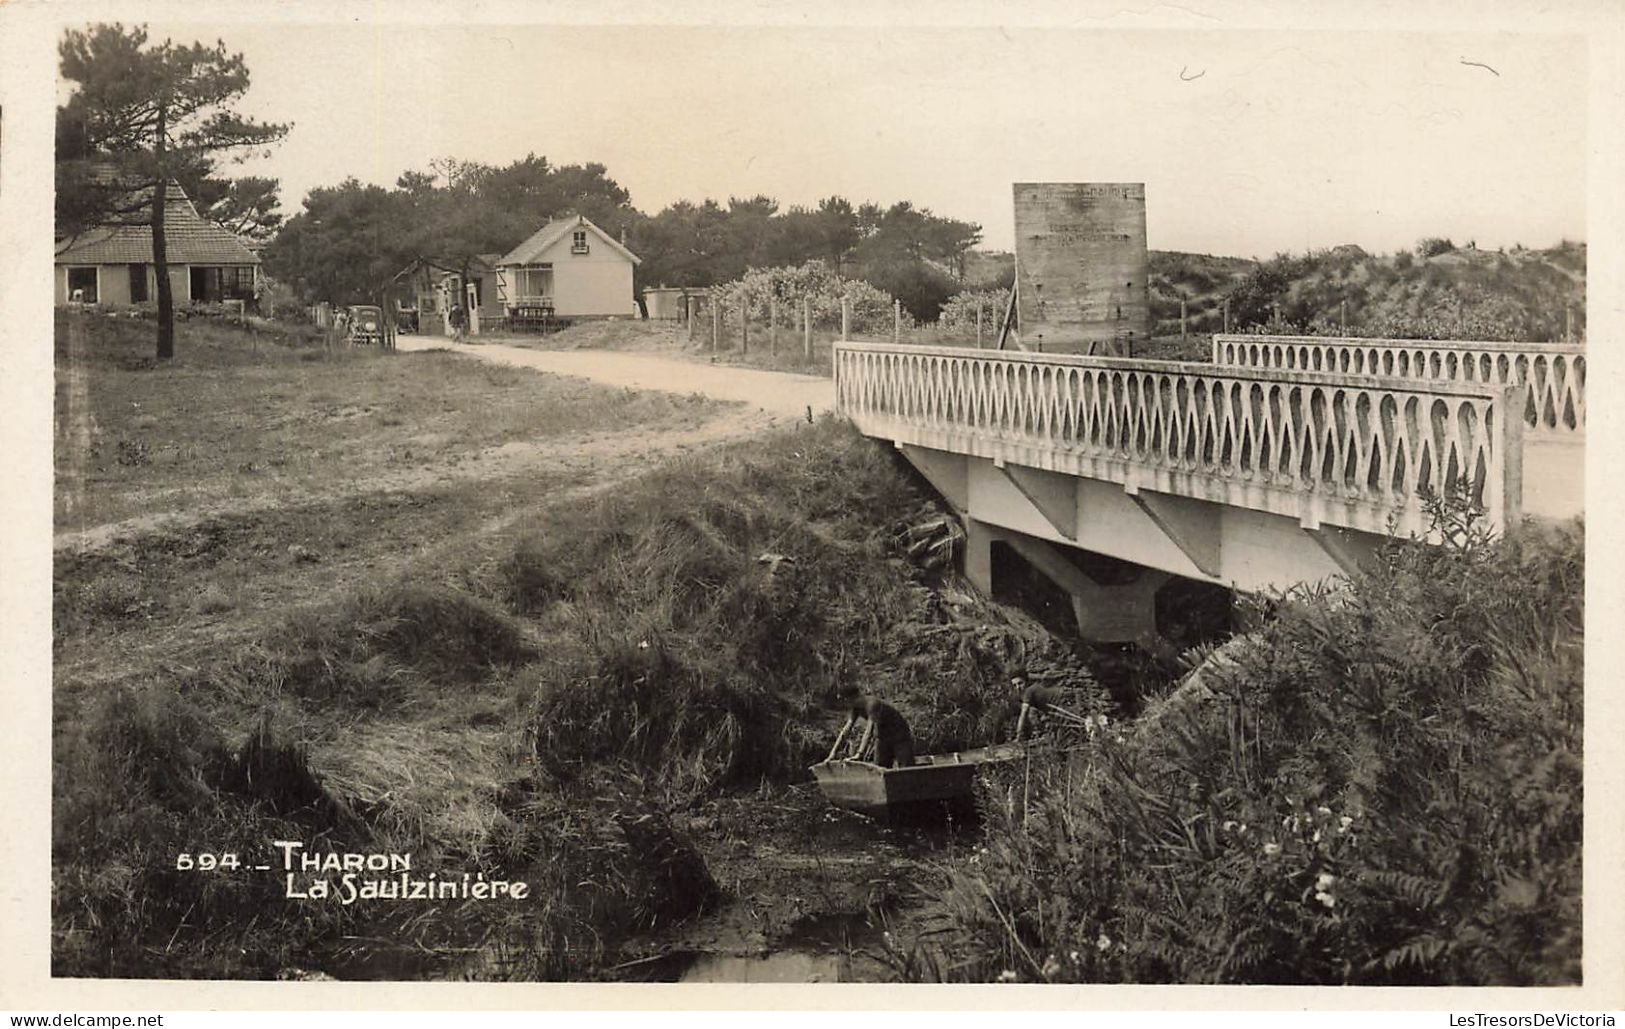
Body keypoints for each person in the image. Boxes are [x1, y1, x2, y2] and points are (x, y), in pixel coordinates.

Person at [827, 689, 916, 768]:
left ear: (852, 698)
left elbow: (868, 731)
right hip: (882, 736)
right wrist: (832, 753)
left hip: (899, 735)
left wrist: (859, 754)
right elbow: (846, 730)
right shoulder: (855, 708)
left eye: (844, 701)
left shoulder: (872, 704)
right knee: (879, 768)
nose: (844, 704)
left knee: (906, 768)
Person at [1013, 677, 1088, 740]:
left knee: (1072, 733)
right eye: (1014, 685)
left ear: (1026, 682)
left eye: (1020, 683)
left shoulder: (1028, 692)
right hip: (1061, 704)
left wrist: (1019, 733)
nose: (1018, 687)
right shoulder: (1034, 688)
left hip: (1064, 703)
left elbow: (1023, 714)